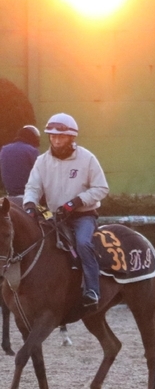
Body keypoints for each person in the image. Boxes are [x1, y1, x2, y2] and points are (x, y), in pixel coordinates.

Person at [23, 113, 109, 308]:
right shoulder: (42, 161)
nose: (55, 140)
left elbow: (102, 188)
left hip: (82, 216)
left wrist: (77, 201)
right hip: (54, 216)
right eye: (52, 136)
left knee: (83, 243)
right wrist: (29, 204)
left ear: (71, 137)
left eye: (60, 136)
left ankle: (92, 290)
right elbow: (33, 188)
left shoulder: (87, 158)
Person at [0, 125, 41, 196]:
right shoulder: (31, 151)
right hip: (29, 195)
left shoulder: (4, 149)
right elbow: (41, 173)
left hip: (10, 195)